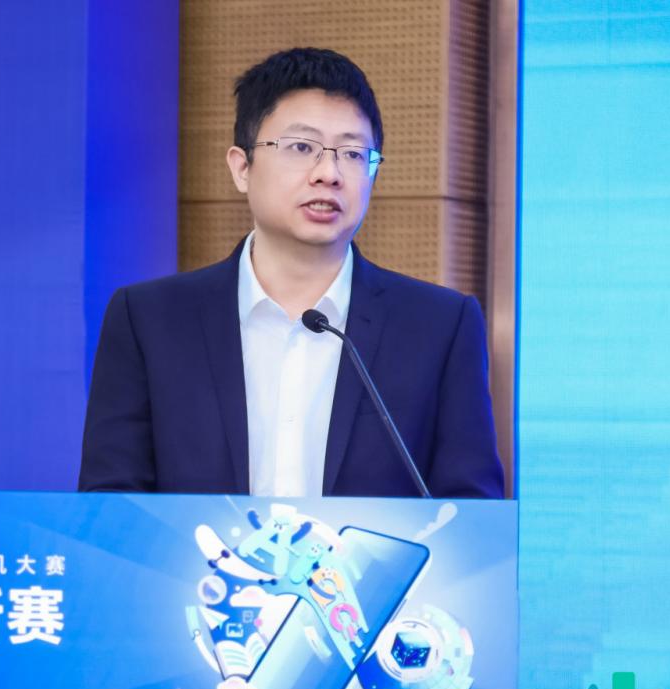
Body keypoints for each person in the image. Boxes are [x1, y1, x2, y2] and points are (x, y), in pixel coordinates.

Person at [79, 47, 503, 499]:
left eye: (353, 153)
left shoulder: (439, 327)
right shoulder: (149, 321)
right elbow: (111, 506)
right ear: (242, 168)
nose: (329, 173)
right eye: (302, 147)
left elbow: (470, 512)